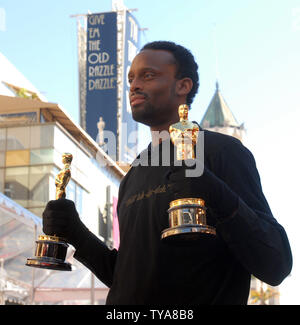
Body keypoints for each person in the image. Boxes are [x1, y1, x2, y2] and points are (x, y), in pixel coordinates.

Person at [42, 41, 292, 305]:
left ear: (183, 86)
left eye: (148, 75)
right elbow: (128, 279)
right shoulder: (133, 175)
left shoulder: (222, 151)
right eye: (131, 78)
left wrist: (214, 191)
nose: (134, 85)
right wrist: (77, 234)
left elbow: (276, 264)